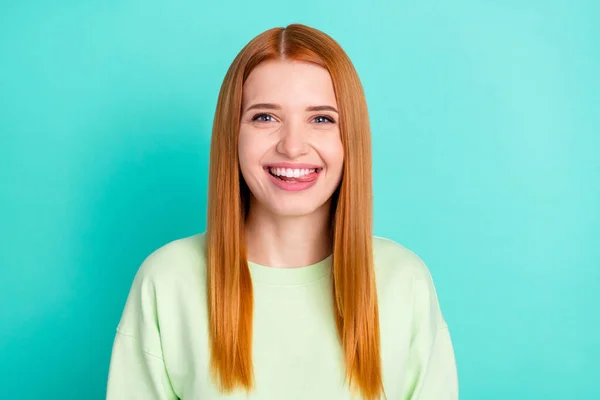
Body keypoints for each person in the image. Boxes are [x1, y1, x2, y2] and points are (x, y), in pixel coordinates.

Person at [106, 23, 458, 400]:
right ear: (233, 135)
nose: (292, 147)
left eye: (321, 118)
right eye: (265, 117)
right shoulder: (167, 280)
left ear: (349, 139)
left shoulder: (404, 282)